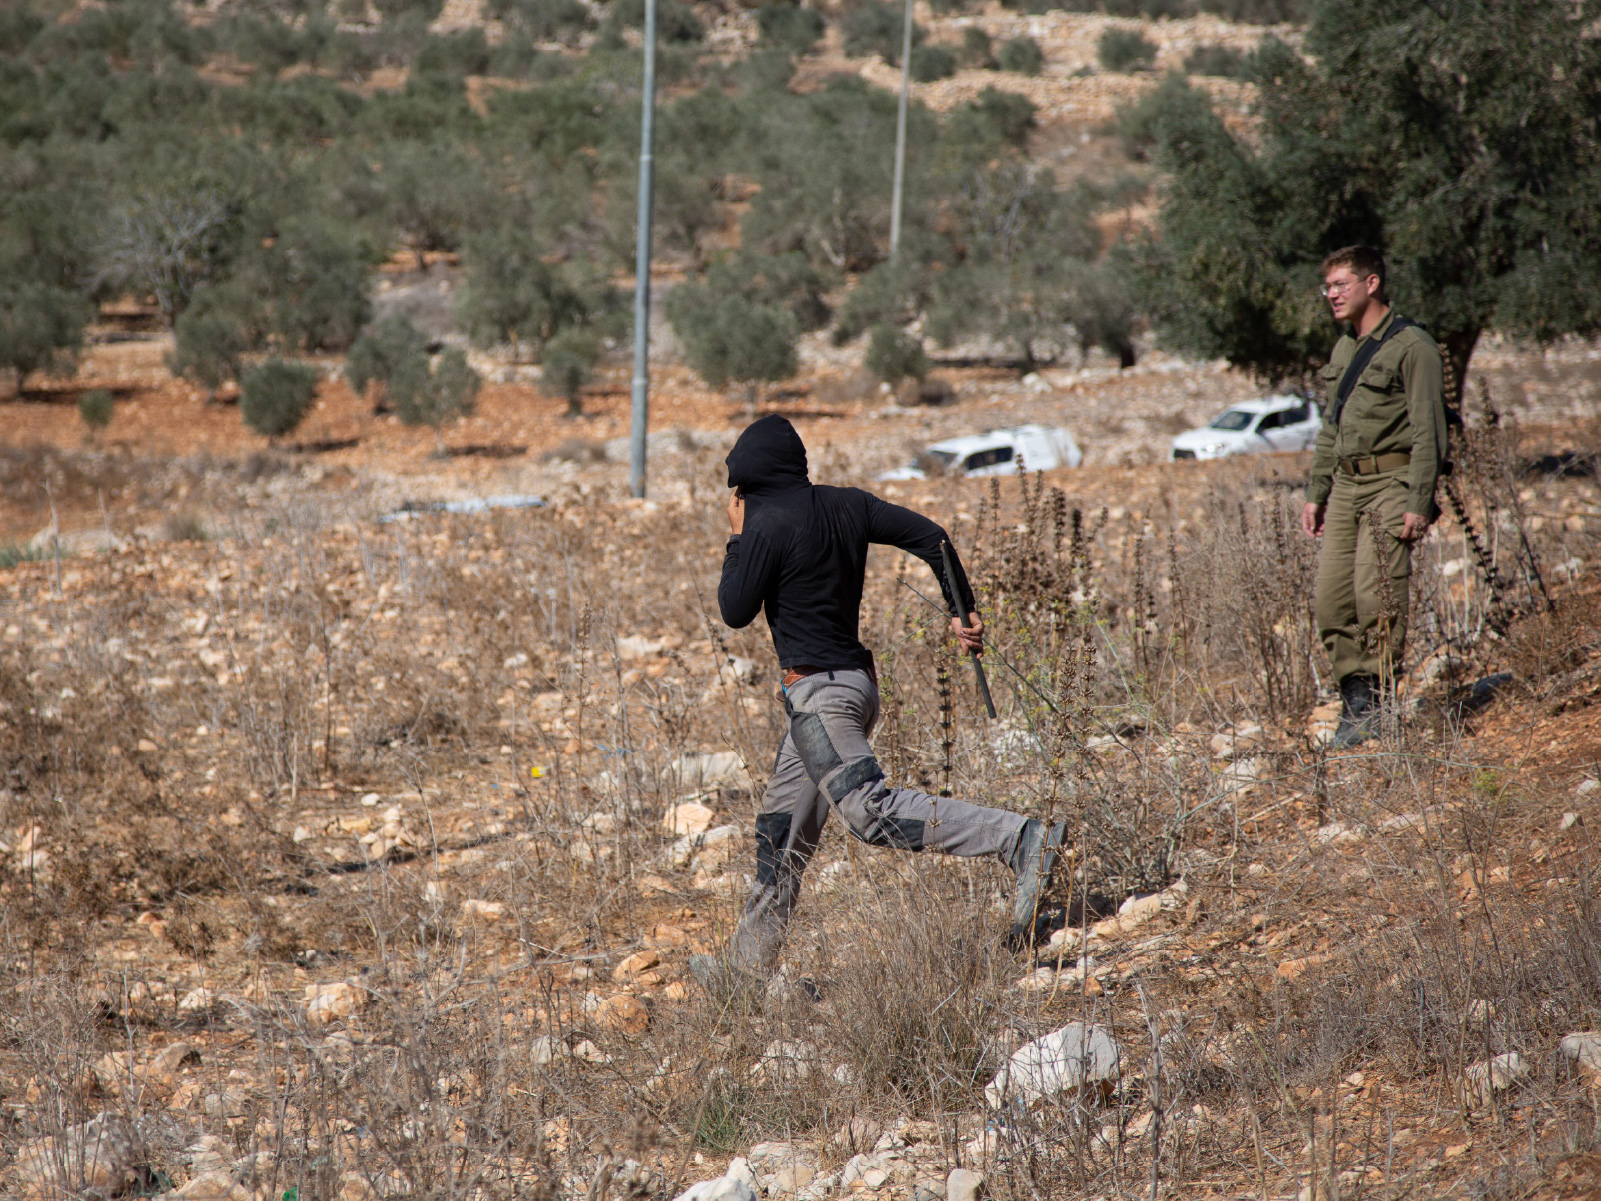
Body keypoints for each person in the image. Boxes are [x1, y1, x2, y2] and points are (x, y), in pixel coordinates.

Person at [688, 415, 1065, 996]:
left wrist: (737, 536)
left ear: (748, 481)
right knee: (783, 829)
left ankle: (1020, 839)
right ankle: (745, 972)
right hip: (853, 690)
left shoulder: (763, 525)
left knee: (869, 812)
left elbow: (734, 610)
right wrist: (960, 609)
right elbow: (933, 536)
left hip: (819, 699)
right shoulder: (848, 504)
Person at [1301, 246, 1448, 747]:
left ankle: (1375, 703)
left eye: (1341, 284)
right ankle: (1354, 695)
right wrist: (1316, 491)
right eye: (1328, 287)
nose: (1332, 295)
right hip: (1346, 484)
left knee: (1375, 594)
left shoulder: (1414, 347)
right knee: (1331, 601)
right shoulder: (1344, 349)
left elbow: (1430, 429)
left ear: (1372, 284)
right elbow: (1331, 426)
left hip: (1393, 482)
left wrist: (1418, 498)